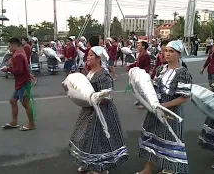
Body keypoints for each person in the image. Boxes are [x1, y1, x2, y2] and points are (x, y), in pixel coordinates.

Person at [69, 46, 129, 174]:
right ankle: (88, 162)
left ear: (99, 59)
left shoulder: (103, 75)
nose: (87, 57)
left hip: (102, 111)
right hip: (89, 109)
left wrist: (94, 99)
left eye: (91, 55)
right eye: (88, 55)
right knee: (85, 137)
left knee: (98, 139)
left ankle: (100, 168)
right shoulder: (90, 72)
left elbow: (107, 96)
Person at [136, 40, 192, 174]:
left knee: (169, 138)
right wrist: (147, 102)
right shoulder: (161, 69)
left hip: (171, 111)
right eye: (166, 50)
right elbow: (153, 88)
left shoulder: (183, 73)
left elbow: (184, 97)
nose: (167, 53)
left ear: (179, 54)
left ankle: (170, 168)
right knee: (151, 137)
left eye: (171, 51)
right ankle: (148, 168)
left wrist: (164, 105)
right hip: (155, 109)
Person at [1, 37, 35, 131]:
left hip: (23, 82)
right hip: (20, 82)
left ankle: (31, 123)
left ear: (14, 45)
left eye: (9, 46)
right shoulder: (20, 52)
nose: (9, 48)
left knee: (25, 103)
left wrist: (7, 69)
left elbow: (19, 71)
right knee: (13, 100)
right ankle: (14, 122)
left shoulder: (18, 55)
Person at [127, 41, 151, 109]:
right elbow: (137, 63)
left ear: (143, 47)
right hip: (138, 74)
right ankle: (139, 100)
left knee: (143, 90)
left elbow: (147, 66)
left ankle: (145, 104)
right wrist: (131, 66)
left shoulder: (146, 56)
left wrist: (144, 73)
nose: (137, 46)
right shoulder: (140, 54)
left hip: (142, 75)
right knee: (137, 88)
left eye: (139, 45)